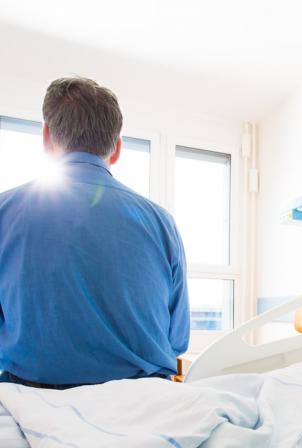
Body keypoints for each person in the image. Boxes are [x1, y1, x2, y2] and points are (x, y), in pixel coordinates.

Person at [0, 77, 190, 389]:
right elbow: (177, 339)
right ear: (116, 149)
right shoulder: (161, 223)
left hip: (32, 395)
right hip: (145, 400)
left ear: (47, 138)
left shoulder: (4, 212)